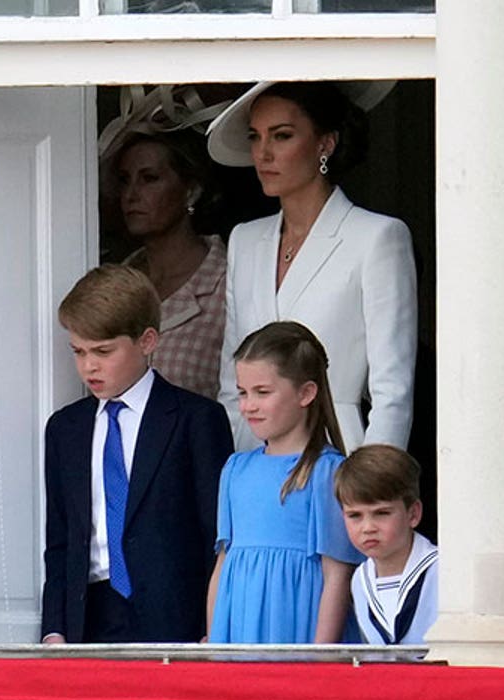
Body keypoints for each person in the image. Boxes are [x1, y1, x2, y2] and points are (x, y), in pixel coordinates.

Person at [205, 80, 417, 452]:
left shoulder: (376, 237)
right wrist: (237, 468)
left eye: (282, 136)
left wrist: (372, 486)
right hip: (255, 458)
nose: (263, 153)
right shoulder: (246, 240)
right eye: (255, 137)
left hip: (336, 456)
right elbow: (230, 379)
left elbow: (393, 390)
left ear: (325, 143)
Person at [42, 264, 234, 645]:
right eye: (78, 352)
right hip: (89, 616)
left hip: (175, 617)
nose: (88, 366)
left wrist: (212, 628)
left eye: (102, 351)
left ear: (147, 341)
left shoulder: (196, 419)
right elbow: (61, 539)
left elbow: (217, 535)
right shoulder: (66, 429)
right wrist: (54, 628)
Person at [206, 321, 361, 644]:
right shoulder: (235, 468)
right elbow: (223, 566)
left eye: (262, 392)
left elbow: (337, 575)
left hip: (297, 629)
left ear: (306, 393)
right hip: (239, 630)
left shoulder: (327, 472)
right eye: (243, 393)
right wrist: (215, 640)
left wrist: (321, 658)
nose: (248, 405)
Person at [113, 131, 227, 402]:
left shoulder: (228, 283)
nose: (131, 194)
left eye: (149, 179)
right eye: (124, 180)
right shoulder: (113, 284)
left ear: (191, 191)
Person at [335, 443, 439, 646]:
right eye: (355, 515)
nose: (368, 527)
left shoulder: (442, 572)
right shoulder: (359, 580)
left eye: (381, 513)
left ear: (413, 514)